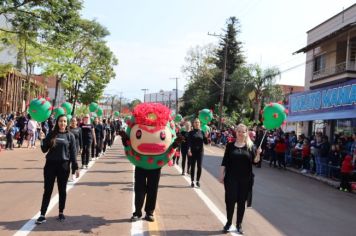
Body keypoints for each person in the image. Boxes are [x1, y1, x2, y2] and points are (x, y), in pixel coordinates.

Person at [36, 114, 79, 224]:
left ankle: (61, 212)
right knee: (47, 190)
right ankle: (42, 214)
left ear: (67, 123)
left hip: (64, 166)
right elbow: (44, 149)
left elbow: (73, 153)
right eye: (61, 121)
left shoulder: (70, 136)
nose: (63, 123)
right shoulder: (52, 134)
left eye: (65, 121)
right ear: (57, 122)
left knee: (62, 190)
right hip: (50, 165)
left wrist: (75, 167)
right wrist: (42, 139)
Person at [219, 123, 262, 234]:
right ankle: (228, 223)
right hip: (231, 178)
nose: (241, 133)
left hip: (245, 179)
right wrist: (221, 174)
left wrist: (258, 154)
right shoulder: (230, 145)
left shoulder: (250, 146)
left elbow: (255, 162)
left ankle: (239, 224)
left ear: (246, 133)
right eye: (239, 131)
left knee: (241, 202)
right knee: (230, 201)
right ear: (236, 132)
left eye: (243, 131)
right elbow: (225, 161)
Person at [188, 118, 208, 188]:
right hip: (193, 152)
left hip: (200, 152)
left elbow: (206, 143)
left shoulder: (202, 132)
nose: (197, 123)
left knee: (199, 166)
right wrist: (189, 149)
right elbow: (189, 142)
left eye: (198, 122)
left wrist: (206, 136)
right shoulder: (191, 132)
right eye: (195, 122)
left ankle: (197, 181)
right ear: (193, 124)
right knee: (193, 166)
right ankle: (192, 181)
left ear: (200, 124)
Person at [69, 117, 82, 181]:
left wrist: (81, 148)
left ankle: (73, 174)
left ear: (77, 122)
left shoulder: (79, 129)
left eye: (74, 121)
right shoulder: (68, 129)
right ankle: (66, 175)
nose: (73, 122)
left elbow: (81, 139)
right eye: (72, 121)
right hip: (68, 147)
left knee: (74, 161)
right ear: (70, 122)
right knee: (67, 162)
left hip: (75, 147)